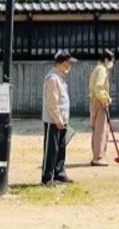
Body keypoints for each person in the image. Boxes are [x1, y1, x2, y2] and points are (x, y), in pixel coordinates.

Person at [41, 50, 77, 185]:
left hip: (61, 120)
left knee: (61, 148)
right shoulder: (52, 78)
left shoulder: (59, 77)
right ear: (62, 63)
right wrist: (57, 119)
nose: (70, 66)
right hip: (53, 121)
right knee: (51, 149)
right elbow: (52, 102)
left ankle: (59, 173)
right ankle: (47, 177)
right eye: (69, 63)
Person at [88, 49, 115, 166]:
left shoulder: (97, 69)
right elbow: (99, 87)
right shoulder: (102, 70)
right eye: (111, 61)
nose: (111, 64)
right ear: (106, 60)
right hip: (100, 102)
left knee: (97, 130)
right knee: (101, 130)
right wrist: (105, 99)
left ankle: (97, 155)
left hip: (95, 101)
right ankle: (98, 157)